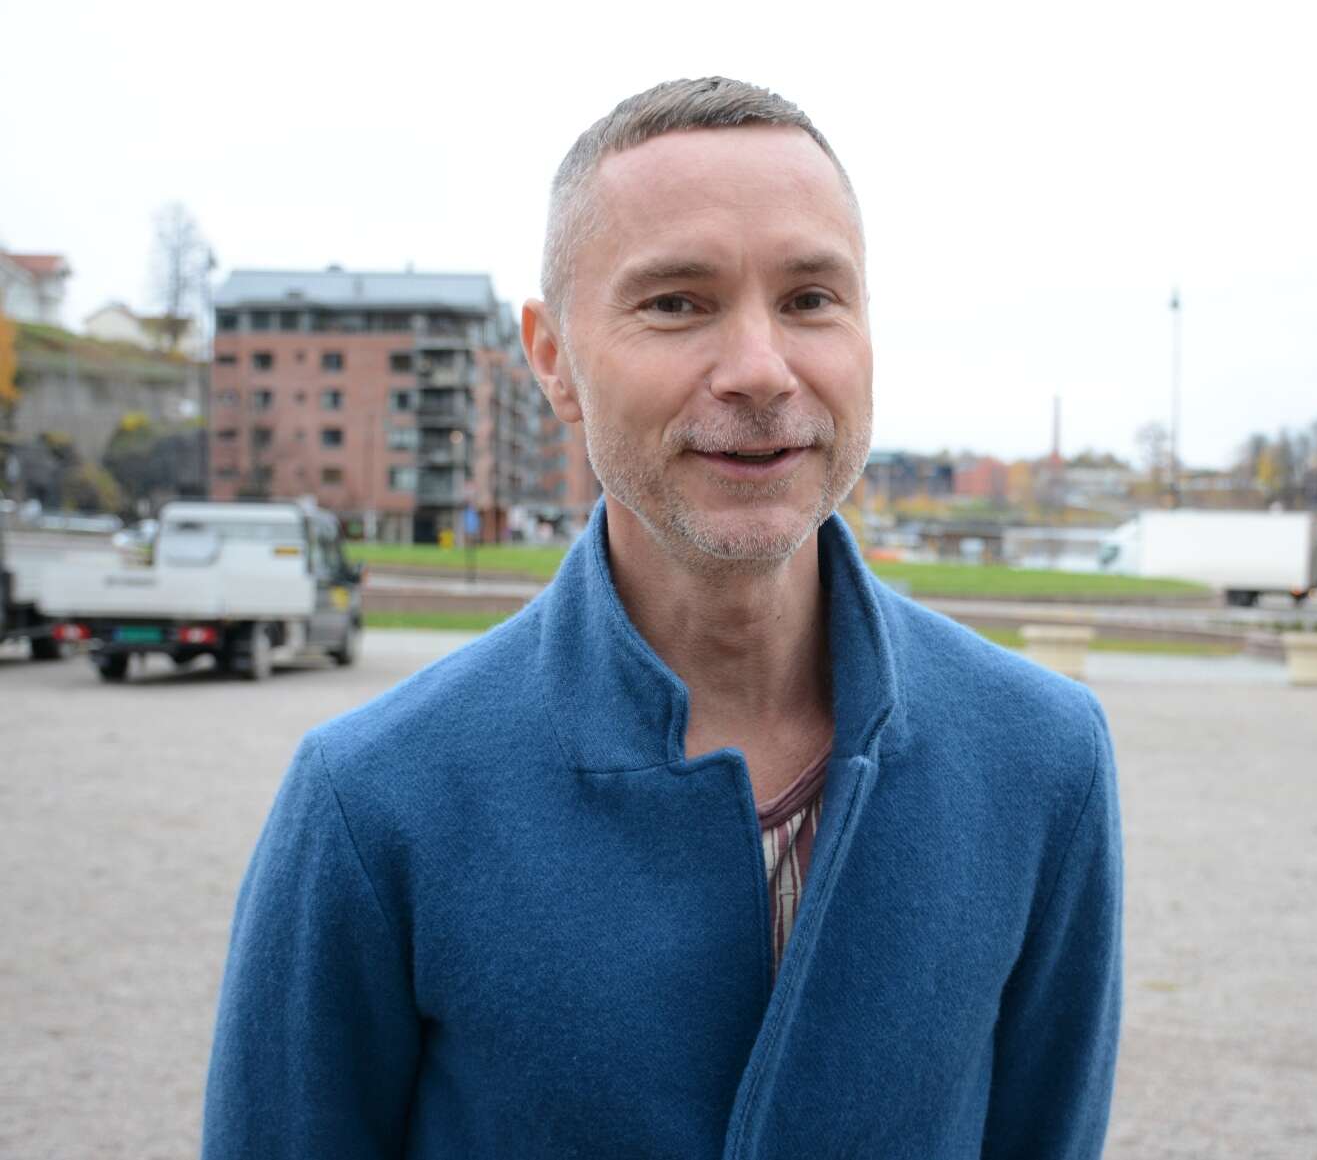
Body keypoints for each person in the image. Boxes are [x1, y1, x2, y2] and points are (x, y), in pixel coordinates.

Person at [202, 77, 1122, 1159]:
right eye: (677, 303)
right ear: (553, 360)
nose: (760, 370)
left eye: (811, 298)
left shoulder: (1042, 760)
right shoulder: (374, 799)